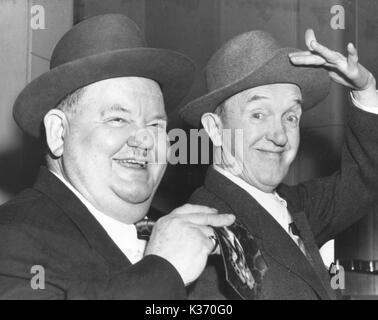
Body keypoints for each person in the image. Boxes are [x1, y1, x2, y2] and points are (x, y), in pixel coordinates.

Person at [0, 14, 235, 300]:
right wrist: (164, 270)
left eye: (155, 125)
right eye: (117, 119)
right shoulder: (12, 238)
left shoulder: (181, 234)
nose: (144, 139)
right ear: (58, 133)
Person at [180, 29, 378, 300]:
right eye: (258, 115)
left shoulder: (293, 205)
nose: (279, 136)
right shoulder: (204, 231)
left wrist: (365, 90)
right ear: (215, 129)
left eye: (290, 117)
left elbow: (361, 181)